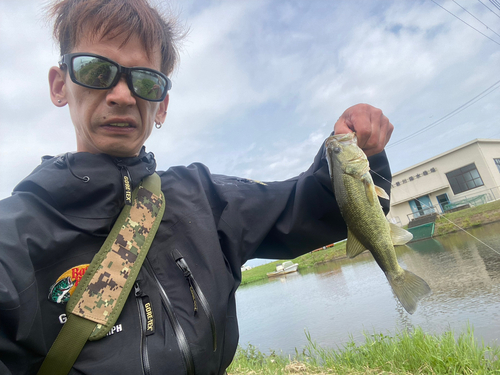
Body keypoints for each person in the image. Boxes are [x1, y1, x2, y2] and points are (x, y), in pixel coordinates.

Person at [0, 1, 394, 374]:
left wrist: (355, 152)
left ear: (163, 105)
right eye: (95, 71)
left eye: (145, 81)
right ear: (59, 85)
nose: (121, 95)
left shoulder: (205, 198)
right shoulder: (12, 240)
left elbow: (314, 209)